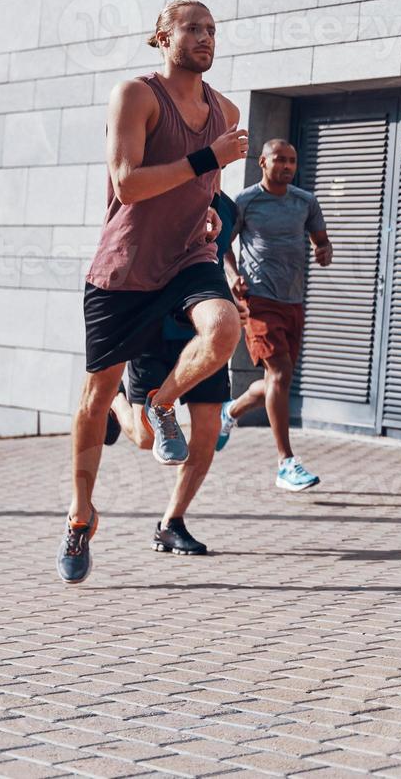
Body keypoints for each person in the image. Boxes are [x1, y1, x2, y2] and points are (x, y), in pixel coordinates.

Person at [58, 0, 248, 584]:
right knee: (96, 402)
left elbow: (200, 187)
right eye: (192, 28)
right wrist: (205, 161)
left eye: (211, 30)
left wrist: (215, 210)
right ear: (162, 38)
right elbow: (130, 183)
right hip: (126, 268)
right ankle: (81, 514)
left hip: (188, 259)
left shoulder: (227, 110)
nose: (204, 38)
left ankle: (163, 403)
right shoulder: (136, 96)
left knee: (224, 329)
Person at [104, 189, 247, 555]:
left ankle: (171, 522)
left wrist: (230, 288)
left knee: (208, 430)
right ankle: (116, 402)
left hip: (202, 337)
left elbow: (219, 252)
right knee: (147, 438)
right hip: (154, 332)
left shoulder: (229, 207)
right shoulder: (163, 192)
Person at [221, 140, 332, 491]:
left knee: (275, 381)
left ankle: (230, 412)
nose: (287, 166)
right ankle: (286, 462)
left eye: (292, 161)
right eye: (280, 160)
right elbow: (224, 245)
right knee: (280, 373)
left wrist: (323, 251)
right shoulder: (246, 201)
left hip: (293, 301)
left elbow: (321, 239)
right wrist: (232, 276)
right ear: (262, 162)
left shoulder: (305, 201)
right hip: (259, 299)